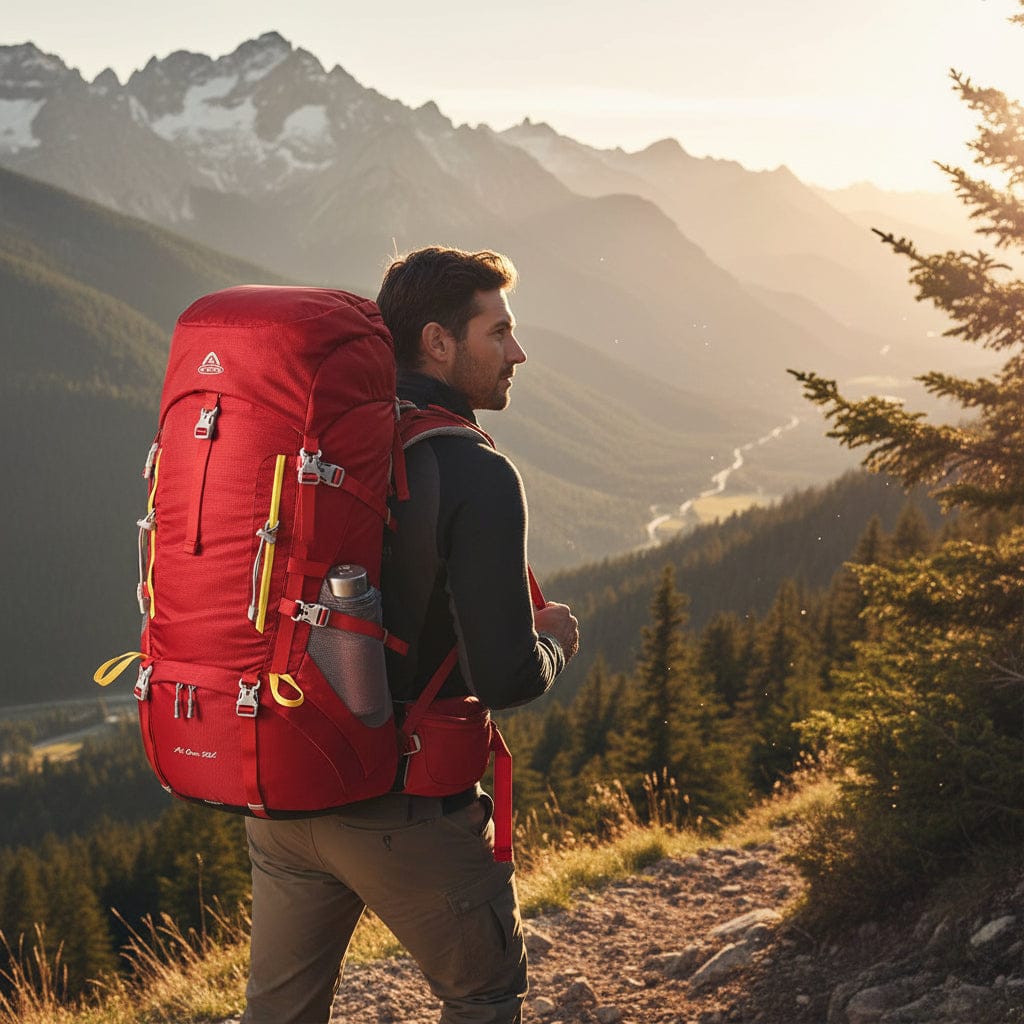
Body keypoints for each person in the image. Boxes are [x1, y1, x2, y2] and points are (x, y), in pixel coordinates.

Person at [242, 246, 580, 1024]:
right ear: (438, 342)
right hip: (406, 808)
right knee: (483, 997)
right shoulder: (473, 471)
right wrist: (554, 643)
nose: (517, 353)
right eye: (499, 331)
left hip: (287, 791)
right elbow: (504, 677)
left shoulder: (316, 447)